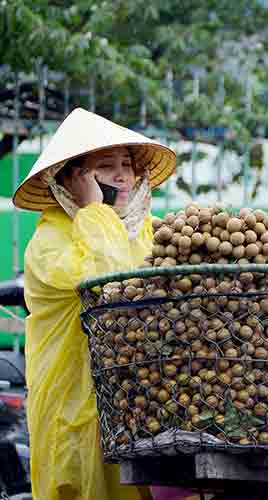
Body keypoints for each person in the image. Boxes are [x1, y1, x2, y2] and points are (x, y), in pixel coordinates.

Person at [13, 107, 184, 500]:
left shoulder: (147, 230)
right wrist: (93, 209)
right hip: (76, 409)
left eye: (127, 164)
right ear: (73, 179)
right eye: (105, 167)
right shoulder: (50, 242)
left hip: (141, 407)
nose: (123, 175)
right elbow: (108, 286)